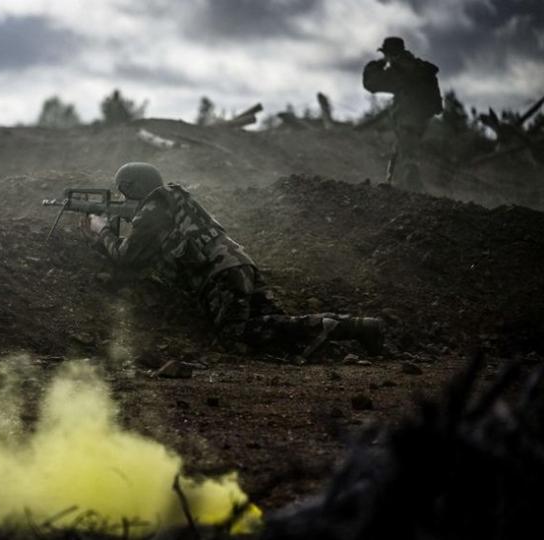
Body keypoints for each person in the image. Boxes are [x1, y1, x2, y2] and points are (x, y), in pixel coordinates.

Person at [80, 162, 384, 360]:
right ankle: (356, 328)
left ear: (132, 188)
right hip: (238, 264)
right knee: (271, 323)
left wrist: (102, 228)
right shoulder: (175, 201)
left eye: (124, 193)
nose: (123, 200)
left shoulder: (151, 212)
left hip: (221, 276)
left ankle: (338, 328)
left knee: (236, 335)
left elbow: (125, 257)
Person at [363, 36, 443, 191]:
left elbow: (371, 83)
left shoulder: (401, 70)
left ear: (390, 54)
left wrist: (379, 64)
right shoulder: (419, 67)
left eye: (385, 54)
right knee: (401, 151)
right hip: (422, 119)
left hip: (408, 119)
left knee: (408, 158)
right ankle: (394, 185)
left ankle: (415, 194)